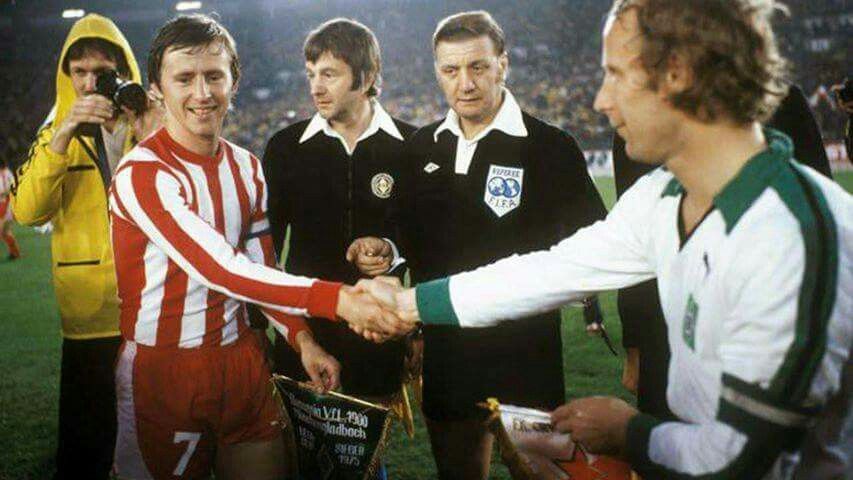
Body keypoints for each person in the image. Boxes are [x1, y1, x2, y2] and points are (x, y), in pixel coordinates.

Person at [356, 1, 852, 478]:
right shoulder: (662, 197)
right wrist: (409, 304)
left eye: (617, 74)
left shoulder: (794, 239)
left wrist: (631, 433)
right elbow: (549, 272)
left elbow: (747, 459)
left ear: (679, 77)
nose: (601, 101)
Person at [108, 14, 403, 479]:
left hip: (244, 360)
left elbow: (262, 266)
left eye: (214, 76)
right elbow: (221, 269)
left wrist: (303, 341)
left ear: (234, 81)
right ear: (157, 90)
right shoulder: (142, 173)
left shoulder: (246, 168)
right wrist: (339, 300)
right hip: (164, 369)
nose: (202, 93)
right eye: (184, 79)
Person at [349, 11, 607, 479]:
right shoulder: (422, 147)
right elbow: (405, 232)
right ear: (437, 72)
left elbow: (593, 244)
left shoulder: (550, 147)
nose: (464, 83)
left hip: (526, 356)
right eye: (451, 70)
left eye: (478, 67)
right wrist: (387, 248)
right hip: (449, 354)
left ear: (502, 65)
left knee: (539, 474)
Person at [614, 82, 834, 421]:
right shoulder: (635, 113)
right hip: (666, 327)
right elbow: (633, 244)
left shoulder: (780, 98)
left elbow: (821, 218)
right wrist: (635, 342)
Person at [10, 14, 159, 479]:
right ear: (67, 75)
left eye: (103, 71)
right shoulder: (55, 131)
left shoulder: (148, 122)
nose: (91, 83)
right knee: (86, 439)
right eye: (80, 72)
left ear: (124, 71)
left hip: (153, 300)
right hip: (89, 307)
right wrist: (62, 134)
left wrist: (151, 130)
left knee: (153, 433)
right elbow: (27, 212)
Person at [262, 17, 414, 407]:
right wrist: (259, 326)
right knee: (301, 437)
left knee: (368, 437)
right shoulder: (285, 147)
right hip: (305, 331)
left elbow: (429, 238)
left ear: (366, 77)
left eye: (329, 74)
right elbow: (264, 248)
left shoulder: (413, 146)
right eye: (311, 74)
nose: (316, 86)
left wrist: (392, 250)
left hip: (379, 328)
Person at [0, 160, 20, 260]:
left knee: (3, 231)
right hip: (3, 204)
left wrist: (4, 193)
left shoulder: (6, 173)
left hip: (5, 204)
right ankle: (14, 252)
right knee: (5, 232)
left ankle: (15, 252)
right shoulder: (5, 173)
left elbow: (10, 189)